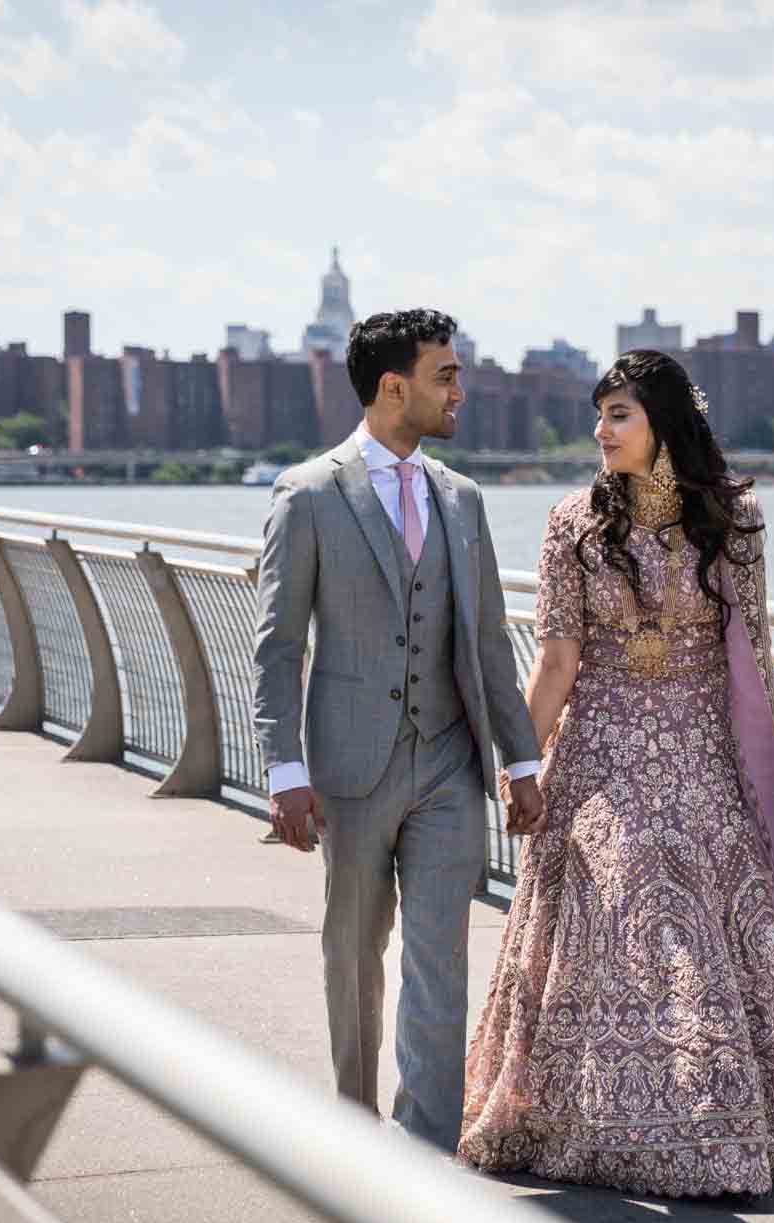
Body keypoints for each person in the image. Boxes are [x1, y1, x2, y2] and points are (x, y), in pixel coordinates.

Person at [460, 349, 774, 1195]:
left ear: (664, 420)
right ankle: (596, 1117)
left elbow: (753, 650)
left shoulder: (733, 520)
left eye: (618, 414)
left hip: (706, 750)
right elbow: (555, 664)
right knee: (621, 889)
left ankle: (732, 1116)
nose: (601, 431)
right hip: (604, 754)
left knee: (733, 907)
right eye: (599, 415)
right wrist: (520, 765)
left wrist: (772, 749)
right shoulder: (573, 522)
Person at [251, 308, 545, 1152]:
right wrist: (284, 769)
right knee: (353, 950)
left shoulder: (464, 498)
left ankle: (425, 1153)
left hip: (450, 761)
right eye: (445, 374)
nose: (460, 390)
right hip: (347, 766)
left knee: (439, 957)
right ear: (394, 386)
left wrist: (521, 758)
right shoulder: (306, 493)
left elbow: (488, 640)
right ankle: (353, 1129)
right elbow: (276, 646)